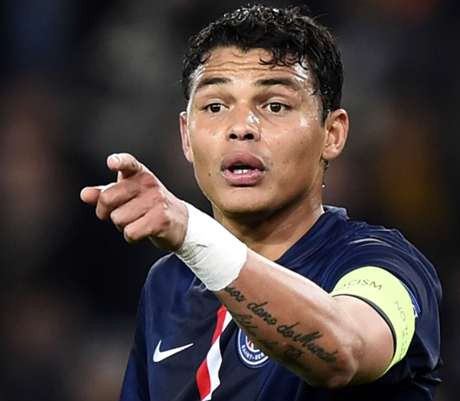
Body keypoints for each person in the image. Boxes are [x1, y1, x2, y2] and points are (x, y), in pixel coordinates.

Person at [80, 5, 441, 401]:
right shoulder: (168, 284)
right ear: (186, 136)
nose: (241, 128)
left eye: (275, 106)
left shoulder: (388, 265)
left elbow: (344, 353)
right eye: (215, 107)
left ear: (333, 134)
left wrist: (192, 232)